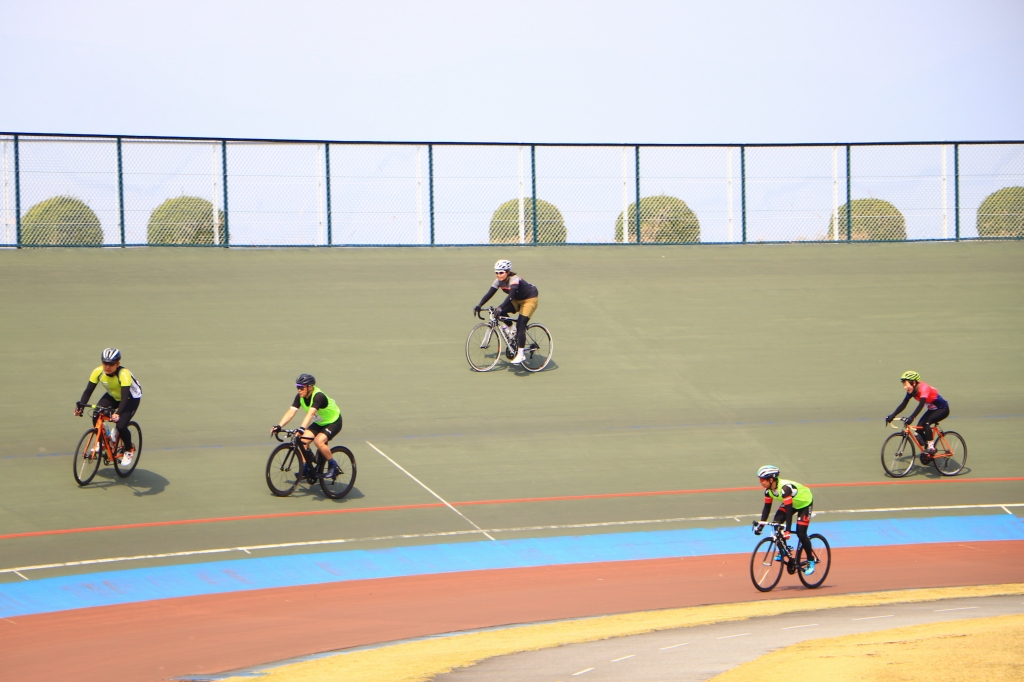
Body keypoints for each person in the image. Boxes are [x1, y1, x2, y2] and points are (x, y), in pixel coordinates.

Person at [74, 348, 143, 467]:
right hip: (113, 395)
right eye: (105, 363)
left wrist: (118, 413)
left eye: (111, 364)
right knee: (96, 413)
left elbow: (125, 396)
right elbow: (88, 390)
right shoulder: (98, 371)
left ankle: (128, 449)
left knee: (121, 425)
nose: (108, 366)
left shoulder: (124, 374)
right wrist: (81, 406)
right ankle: (104, 439)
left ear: (118, 364)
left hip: (130, 398)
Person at [271, 374, 342, 478]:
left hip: (333, 422)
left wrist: (302, 428)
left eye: (301, 387)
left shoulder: (318, 396)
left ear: (310, 387)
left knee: (319, 441)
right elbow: (291, 412)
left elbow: (311, 414)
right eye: (297, 387)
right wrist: (279, 425)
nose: (299, 390)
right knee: (302, 441)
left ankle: (333, 465)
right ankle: (306, 467)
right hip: (319, 422)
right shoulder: (300, 396)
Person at [753, 465, 817, 575]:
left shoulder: (784, 489)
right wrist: (761, 526)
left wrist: (788, 530)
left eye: (762, 479)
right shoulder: (768, 491)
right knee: (775, 524)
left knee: (801, 533)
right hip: (791, 503)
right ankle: (784, 549)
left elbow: (788, 512)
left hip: (804, 503)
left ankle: (811, 560)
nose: (760, 482)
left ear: (771, 479)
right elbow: (767, 509)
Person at [473, 259, 539, 365]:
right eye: (497, 273)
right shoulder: (498, 281)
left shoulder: (514, 279)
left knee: (521, 325)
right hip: (517, 300)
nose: (499, 275)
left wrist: (501, 306)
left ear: (508, 272)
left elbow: (511, 295)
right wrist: (479, 305)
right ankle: (512, 330)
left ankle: (521, 354)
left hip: (529, 299)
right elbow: (489, 293)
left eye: (501, 272)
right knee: (500, 313)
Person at [885, 371, 949, 460]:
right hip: (932, 409)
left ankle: (932, 448)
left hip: (942, 409)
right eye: (903, 385)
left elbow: (921, 405)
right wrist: (893, 415)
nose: (904, 387)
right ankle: (927, 450)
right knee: (918, 430)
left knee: (926, 423)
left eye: (906, 384)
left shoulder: (924, 388)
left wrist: (912, 417)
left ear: (914, 383)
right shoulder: (912, 390)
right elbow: (904, 403)